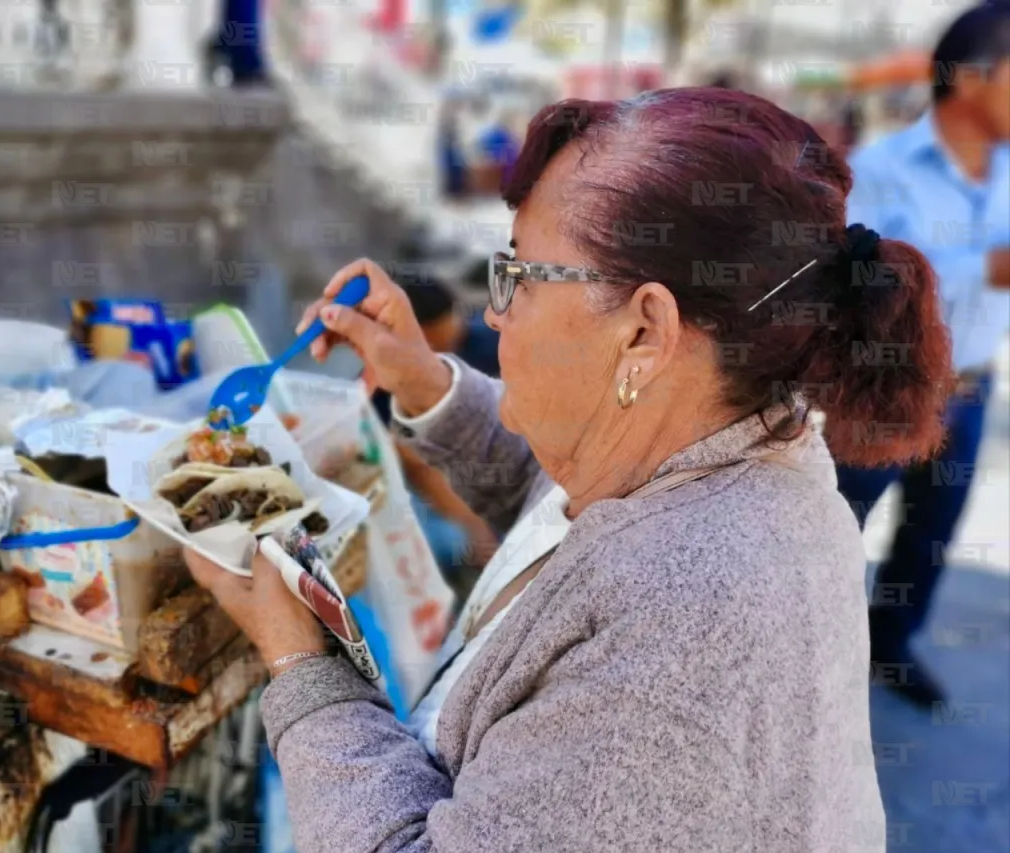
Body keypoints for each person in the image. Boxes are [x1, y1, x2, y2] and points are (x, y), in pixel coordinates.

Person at [181, 87, 954, 850]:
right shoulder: (728, 434)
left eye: (518, 276)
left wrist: (299, 662)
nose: (493, 312)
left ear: (646, 332)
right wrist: (421, 380)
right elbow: (562, 500)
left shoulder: (680, 637)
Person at [836, 2, 1010, 708]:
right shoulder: (878, 170)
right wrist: (984, 268)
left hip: (970, 384)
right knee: (835, 526)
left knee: (931, 535)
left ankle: (891, 643)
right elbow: (856, 278)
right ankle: (813, 655)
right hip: (889, 383)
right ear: (972, 79)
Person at [368, 281, 502, 597]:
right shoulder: (385, 385)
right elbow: (420, 468)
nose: (451, 338)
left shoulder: (489, 343)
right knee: (448, 543)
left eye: (453, 326)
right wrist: (477, 530)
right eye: (435, 343)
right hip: (436, 489)